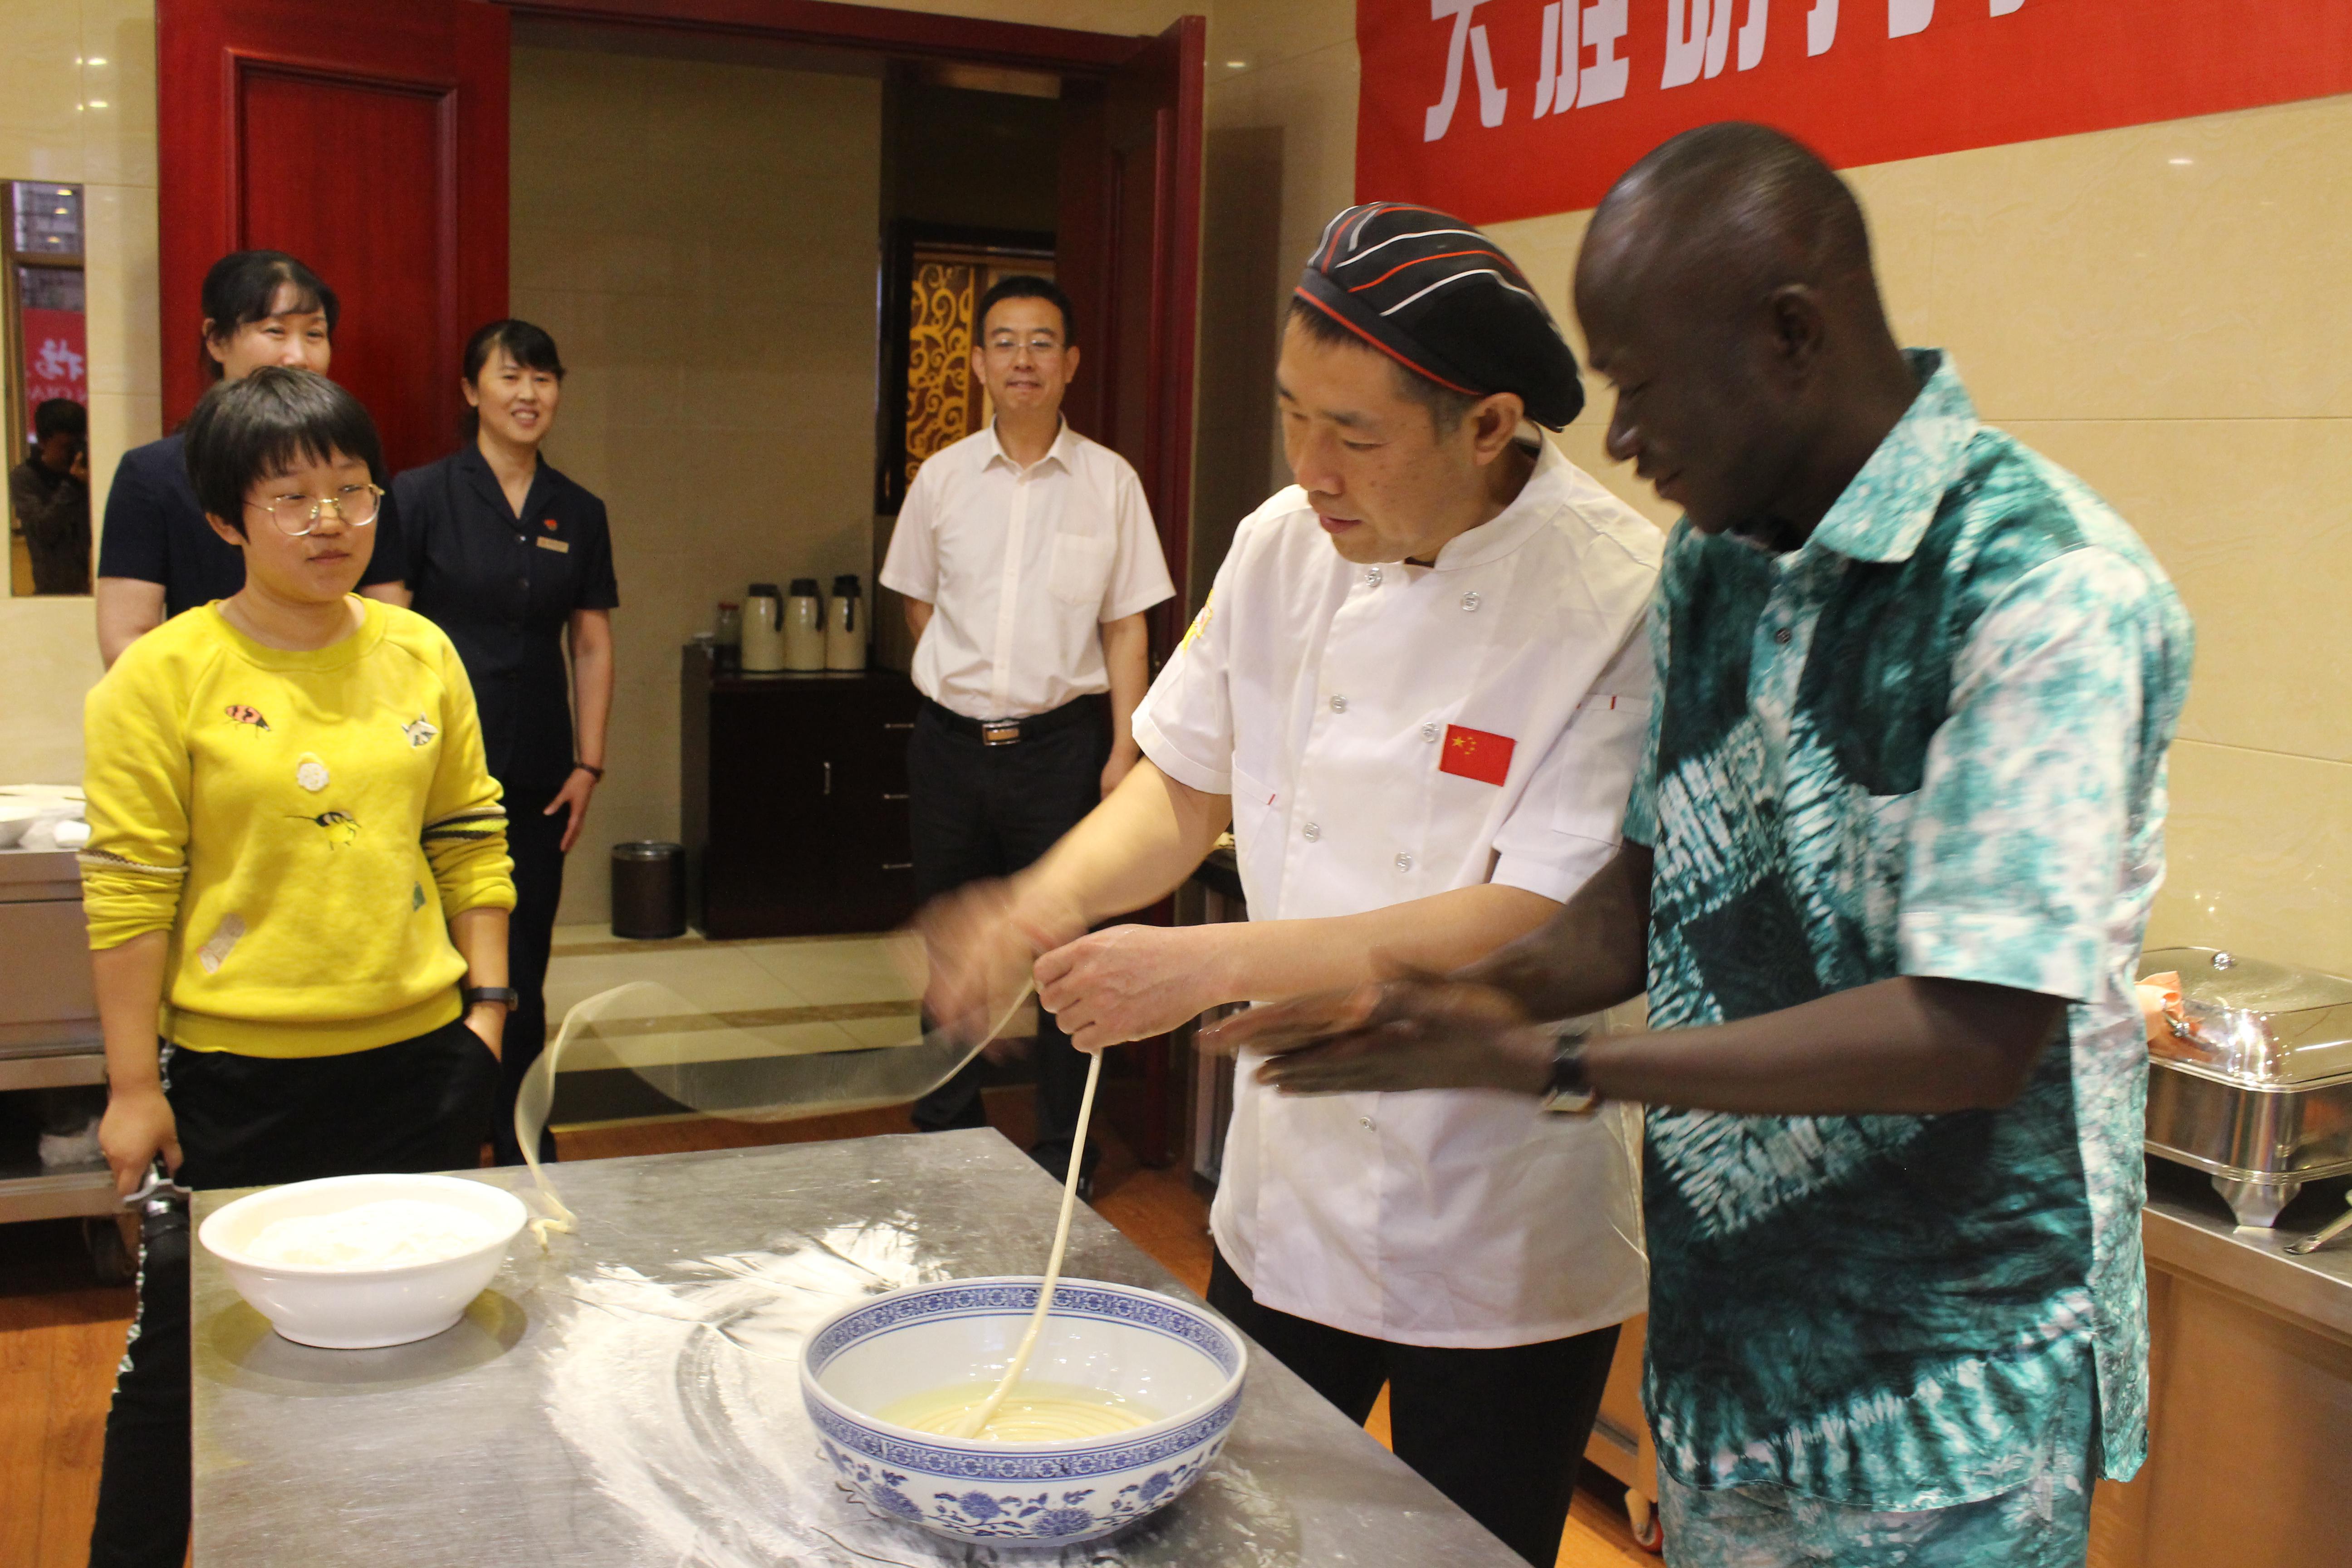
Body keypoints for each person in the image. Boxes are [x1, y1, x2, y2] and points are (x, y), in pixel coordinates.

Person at [1220, 126, 2194, 1568]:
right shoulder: (1721, 564)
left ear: (1789, 339)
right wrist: (1476, 998)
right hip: (1731, 1335)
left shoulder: (2042, 592)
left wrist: (1560, 1062)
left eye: (1643, 386)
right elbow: (1653, 886)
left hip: (1941, 1381)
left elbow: (1969, 1030)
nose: (1616, 441)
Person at [919, 207, 1660, 1567]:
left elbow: (1531, 914)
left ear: (1489, 426)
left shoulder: (1617, 592)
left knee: (1467, 1549)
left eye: (1356, 436)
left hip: (1499, 1211)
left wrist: (1205, 968)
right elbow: (1182, 783)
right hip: (1294, 1189)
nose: (1311, 471)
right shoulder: (1283, 545)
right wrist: (1043, 901)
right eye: (1290, 417)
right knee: (1247, 1536)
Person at [82, 367, 516, 1568]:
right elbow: (128, 888)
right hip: (235, 1081)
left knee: (422, 1351)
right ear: (226, 519)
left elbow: (473, 832)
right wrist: (133, 1086)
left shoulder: (421, 651)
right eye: (292, 498)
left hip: (420, 1064)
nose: (332, 520)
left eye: (352, 490)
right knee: (185, 1368)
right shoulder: (160, 679)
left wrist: (486, 1012)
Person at [881, 274, 1175, 1193]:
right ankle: (947, 1125)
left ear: (1071, 364)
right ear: (975, 363)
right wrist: (965, 693)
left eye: (1042, 342)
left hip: (1060, 751)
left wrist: (1125, 750)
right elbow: (918, 604)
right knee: (953, 943)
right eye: (1003, 342)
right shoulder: (941, 479)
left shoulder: (1110, 483)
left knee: (1063, 952)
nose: (1022, 360)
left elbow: (1128, 626)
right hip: (950, 746)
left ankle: (1065, 1149)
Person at [387, 318, 616, 1164]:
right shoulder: (418, 495)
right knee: (440, 963)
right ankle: (440, 1141)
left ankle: (519, 1138)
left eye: (545, 379)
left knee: (525, 960)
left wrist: (589, 762)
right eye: (511, 377)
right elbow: (386, 631)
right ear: (469, 389)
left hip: (539, 775)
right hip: (432, 774)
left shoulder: (577, 510)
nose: (529, 394)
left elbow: (589, 642)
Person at [93, 250, 407, 665]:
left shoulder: (357, 468)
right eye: (275, 331)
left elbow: (388, 612)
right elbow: (126, 641)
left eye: (314, 334)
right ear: (218, 340)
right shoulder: (151, 474)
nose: (298, 356)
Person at [11, 395, 91, 593]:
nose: (72, 454)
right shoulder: (26, 478)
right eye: (65, 447)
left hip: (92, 589)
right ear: (42, 442)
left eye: (77, 445)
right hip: (51, 593)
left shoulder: (91, 475)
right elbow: (44, 531)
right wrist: (73, 485)